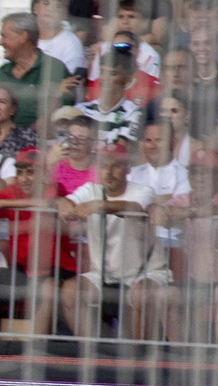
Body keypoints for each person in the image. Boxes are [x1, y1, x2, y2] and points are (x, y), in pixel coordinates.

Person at [56, 141, 170, 340]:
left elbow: (134, 207)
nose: (109, 171)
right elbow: (66, 201)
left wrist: (99, 206)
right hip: (102, 275)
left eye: (115, 165)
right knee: (69, 291)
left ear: (127, 168)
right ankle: (98, 352)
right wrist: (64, 204)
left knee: (141, 295)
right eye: (103, 165)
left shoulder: (142, 190)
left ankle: (136, 360)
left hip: (144, 274)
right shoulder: (90, 189)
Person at [0, 11, 72, 128]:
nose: (0, 42)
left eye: (4, 36)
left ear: (24, 36)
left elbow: (62, 120)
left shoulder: (54, 69)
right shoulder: (2, 73)